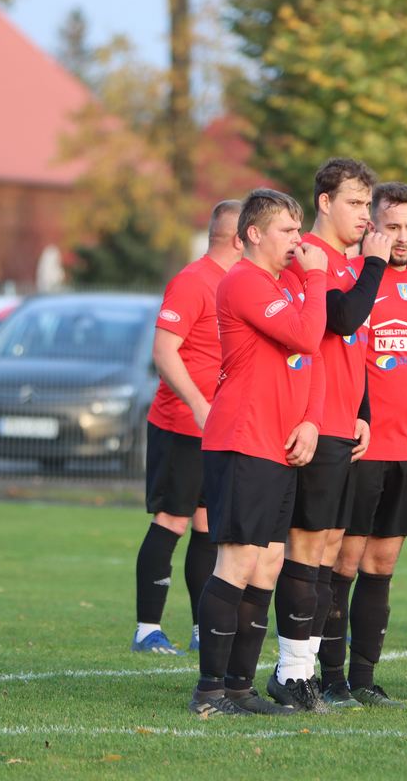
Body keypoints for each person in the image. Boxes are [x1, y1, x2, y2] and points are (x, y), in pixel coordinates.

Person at [189, 189, 328, 717]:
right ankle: (208, 692)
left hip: (277, 443)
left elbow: (308, 360)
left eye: (299, 230)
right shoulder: (244, 282)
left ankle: (239, 687)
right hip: (243, 439)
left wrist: (311, 420)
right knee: (239, 559)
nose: (299, 240)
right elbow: (307, 336)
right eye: (288, 231)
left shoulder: (281, 286)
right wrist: (315, 278)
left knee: (268, 563)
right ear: (253, 234)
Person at [270, 158, 393, 712]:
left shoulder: (347, 264)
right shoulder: (306, 259)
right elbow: (340, 319)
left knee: (327, 554)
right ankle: (290, 673)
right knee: (305, 547)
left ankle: (307, 673)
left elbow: (353, 346)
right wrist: (374, 266)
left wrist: (363, 408)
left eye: (368, 205)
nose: (365, 216)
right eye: (355, 203)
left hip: (346, 425)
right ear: (324, 202)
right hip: (311, 424)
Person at [316, 182, 407, 708]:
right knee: (342, 565)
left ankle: (364, 679)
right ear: (372, 226)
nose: (402, 237)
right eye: (392, 226)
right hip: (361, 447)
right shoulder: (355, 278)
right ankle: (329, 676)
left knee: (382, 567)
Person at [132, 199, 242, 655]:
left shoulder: (240, 284)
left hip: (222, 429)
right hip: (182, 425)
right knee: (172, 519)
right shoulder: (194, 282)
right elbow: (164, 350)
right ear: (241, 238)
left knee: (208, 525)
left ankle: (202, 628)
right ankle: (147, 629)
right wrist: (198, 404)